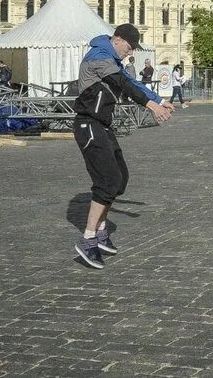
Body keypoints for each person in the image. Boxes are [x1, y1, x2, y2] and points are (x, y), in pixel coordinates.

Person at [72, 24, 173, 269]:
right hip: (88, 124)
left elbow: (130, 80)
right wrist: (152, 107)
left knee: (120, 180)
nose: (129, 53)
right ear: (117, 39)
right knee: (106, 182)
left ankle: (102, 229)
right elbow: (123, 84)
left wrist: (160, 99)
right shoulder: (98, 56)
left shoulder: (112, 58)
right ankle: (88, 239)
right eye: (128, 48)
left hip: (102, 126)